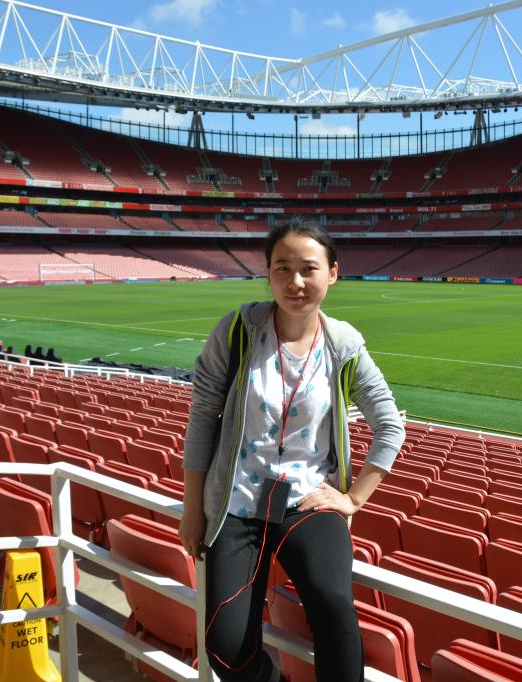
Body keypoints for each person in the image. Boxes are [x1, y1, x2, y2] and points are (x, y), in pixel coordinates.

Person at [180, 221, 404, 682]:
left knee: (334, 608)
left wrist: (354, 498)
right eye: (282, 268)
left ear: (332, 273)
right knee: (226, 649)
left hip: (307, 501)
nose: (295, 281)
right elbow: (202, 418)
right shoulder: (238, 331)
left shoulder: (343, 345)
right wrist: (192, 509)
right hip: (237, 503)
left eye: (308, 268)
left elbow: (390, 426)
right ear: (268, 273)